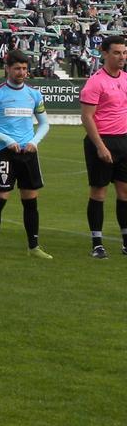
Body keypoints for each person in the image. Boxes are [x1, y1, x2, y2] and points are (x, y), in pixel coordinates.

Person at [0, 50, 51, 260]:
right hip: (4, 154)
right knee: (0, 198)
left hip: (28, 154)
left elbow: (45, 123)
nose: (21, 72)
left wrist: (34, 142)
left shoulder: (34, 94)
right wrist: (7, 140)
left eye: (24, 69)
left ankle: (34, 246)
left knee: (30, 200)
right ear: (7, 69)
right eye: (17, 68)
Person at [78, 35, 127, 259]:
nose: (122, 57)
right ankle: (97, 243)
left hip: (123, 141)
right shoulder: (95, 82)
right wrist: (100, 146)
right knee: (99, 192)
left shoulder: (125, 79)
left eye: (124, 53)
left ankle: (125, 241)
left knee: (124, 192)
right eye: (117, 52)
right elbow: (87, 117)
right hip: (102, 140)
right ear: (104, 53)